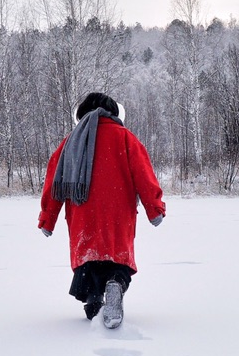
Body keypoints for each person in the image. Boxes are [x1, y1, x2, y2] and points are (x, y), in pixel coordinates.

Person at [38, 92, 166, 329]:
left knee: (88, 260)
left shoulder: (70, 143)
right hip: (118, 213)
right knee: (117, 257)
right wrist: (154, 208)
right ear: (113, 113)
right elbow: (144, 174)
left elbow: (54, 182)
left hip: (82, 213)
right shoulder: (126, 138)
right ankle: (116, 282)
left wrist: (48, 218)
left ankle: (93, 303)